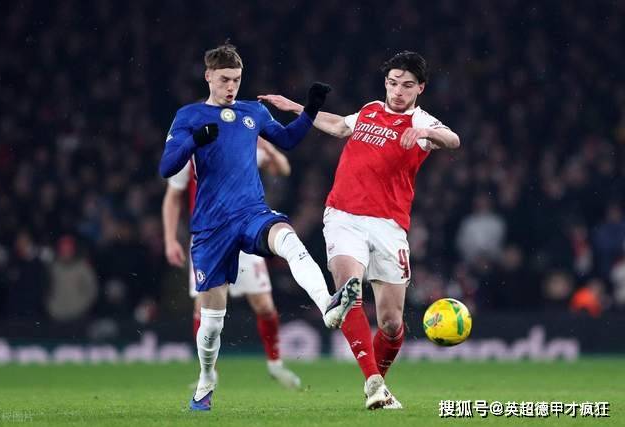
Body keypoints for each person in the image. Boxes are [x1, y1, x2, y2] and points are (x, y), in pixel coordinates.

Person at [159, 43, 360, 411]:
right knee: (212, 323)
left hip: (252, 213)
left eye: (236, 79)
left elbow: (287, 139)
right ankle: (206, 379)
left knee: (289, 240)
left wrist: (310, 109)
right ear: (208, 76)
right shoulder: (189, 115)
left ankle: (327, 305)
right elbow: (166, 167)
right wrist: (193, 140)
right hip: (211, 227)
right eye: (224, 79)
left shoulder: (253, 111)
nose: (231, 86)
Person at [259, 50, 460, 409]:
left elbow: (453, 140)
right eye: (393, 83)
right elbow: (339, 126)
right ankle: (373, 382)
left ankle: (378, 383)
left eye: (407, 85)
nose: (398, 91)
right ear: (386, 82)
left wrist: (425, 132)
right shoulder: (369, 110)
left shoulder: (421, 121)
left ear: (420, 88)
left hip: (390, 227)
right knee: (349, 291)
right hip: (343, 216)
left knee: (391, 324)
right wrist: (298, 108)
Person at [162, 137, 301, 389]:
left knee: (264, 305)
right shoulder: (189, 154)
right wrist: (170, 239)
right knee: (203, 309)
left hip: (244, 231)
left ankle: (275, 365)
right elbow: (173, 196)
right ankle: (208, 373)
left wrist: (267, 147)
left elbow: (282, 169)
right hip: (208, 237)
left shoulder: (241, 146)